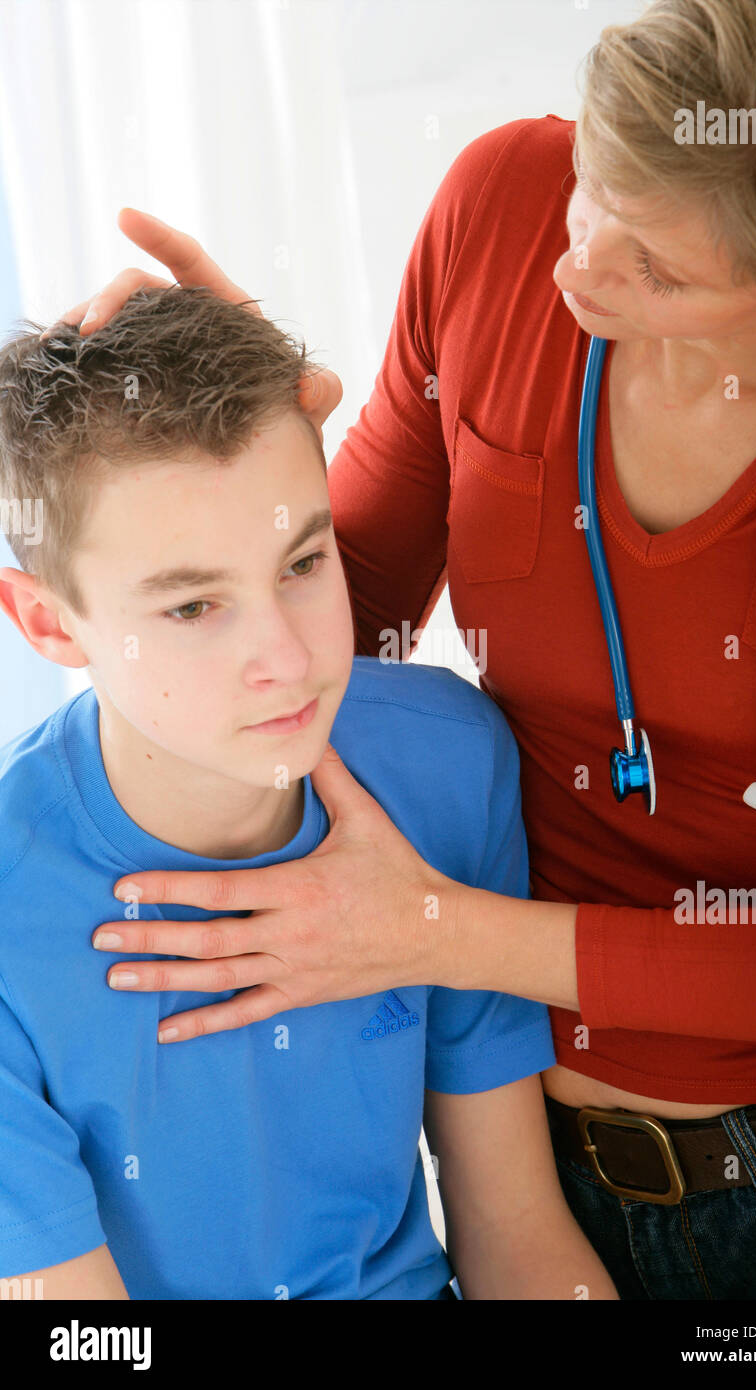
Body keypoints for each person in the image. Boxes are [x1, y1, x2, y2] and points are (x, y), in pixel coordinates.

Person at [45, 0, 756, 1299]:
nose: (578, 265)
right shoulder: (503, 206)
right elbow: (338, 626)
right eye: (594, 188)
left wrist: (446, 932)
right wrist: (245, 447)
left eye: (661, 272)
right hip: (527, 1157)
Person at [0, 284, 620, 1300]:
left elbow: (515, 1232)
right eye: (195, 603)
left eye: (302, 562)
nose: (286, 659)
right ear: (49, 623)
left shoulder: (446, 763)